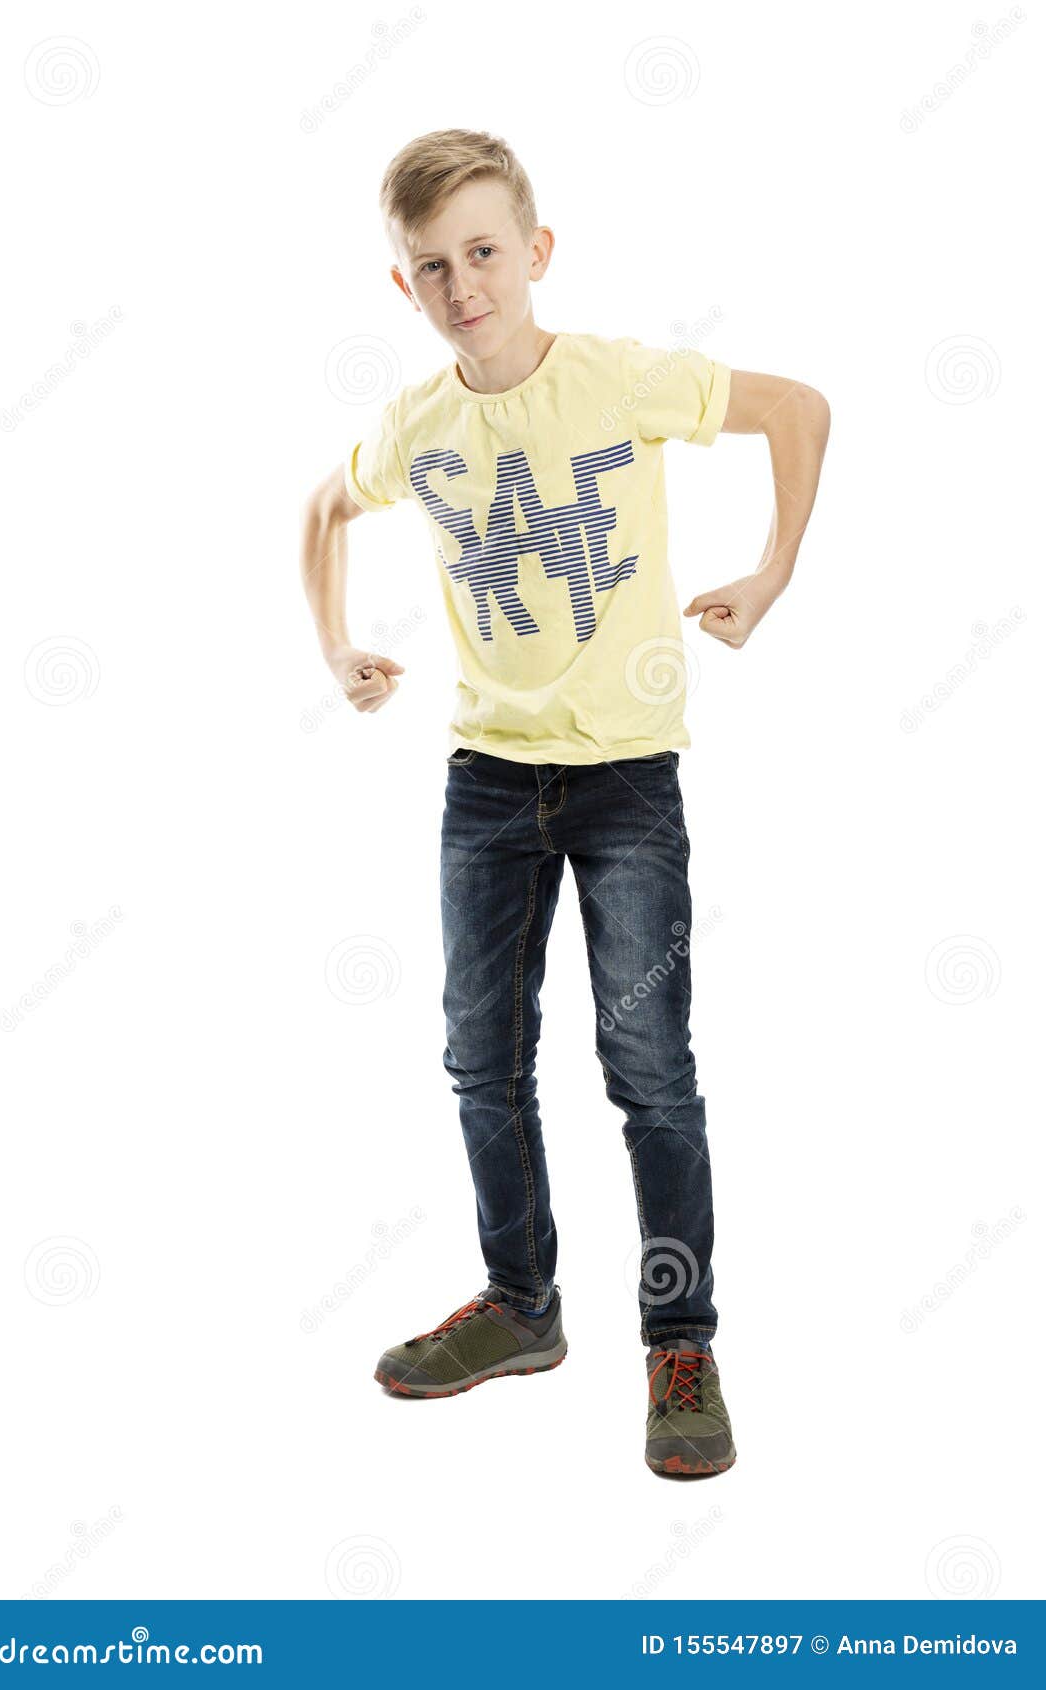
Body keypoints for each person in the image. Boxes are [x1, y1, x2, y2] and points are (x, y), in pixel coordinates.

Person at [300, 128, 830, 1477]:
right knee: (482, 1057)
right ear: (404, 289)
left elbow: (799, 410)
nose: (463, 281)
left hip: (625, 782)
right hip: (486, 783)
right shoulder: (418, 424)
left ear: (534, 255)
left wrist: (770, 573)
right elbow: (321, 506)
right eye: (432, 266)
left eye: (484, 252)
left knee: (649, 1065)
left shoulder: (616, 379)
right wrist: (337, 648)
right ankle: (524, 1305)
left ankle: (682, 1339)